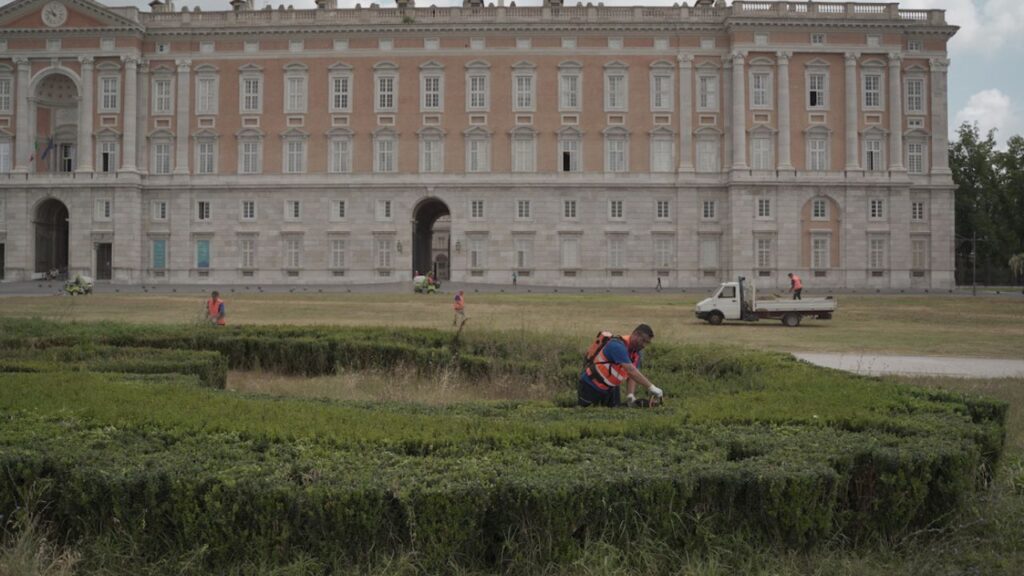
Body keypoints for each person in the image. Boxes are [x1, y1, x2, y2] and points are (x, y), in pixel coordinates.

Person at [578, 324, 663, 408]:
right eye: (643, 340)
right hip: (591, 386)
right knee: (587, 414)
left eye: (647, 343)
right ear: (636, 334)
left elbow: (633, 375)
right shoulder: (617, 346)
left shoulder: (637, 352)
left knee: (613, 416)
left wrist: (630, 395)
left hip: (611, 389)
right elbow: (631, 371)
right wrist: (651, 387)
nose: (644, 345)